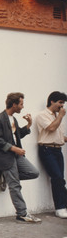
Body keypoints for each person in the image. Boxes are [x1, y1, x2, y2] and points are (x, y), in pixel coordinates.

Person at [0, 92, 42, 223]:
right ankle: (22, 213)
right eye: (21, 104)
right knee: (15, 185)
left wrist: (29, 125)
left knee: (33, 172)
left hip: (16, 156)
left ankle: (8, 177)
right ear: (14, 104)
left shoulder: (13, 119)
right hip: (5, 157)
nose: (22, 107)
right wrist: (14, 148)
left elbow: (17, 135)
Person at [33, 91, 67, 219]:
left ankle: (63, 204)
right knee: (57, 177)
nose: (62, 106)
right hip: (47, 150)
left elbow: (58, 136)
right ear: (52, 101)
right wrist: (61, 117)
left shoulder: (56, 116)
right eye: (60, 103)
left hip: (58, 150)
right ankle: (60, 208)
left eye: (63, 103)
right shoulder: (42, 115)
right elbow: (51, 128)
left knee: (61, 179)